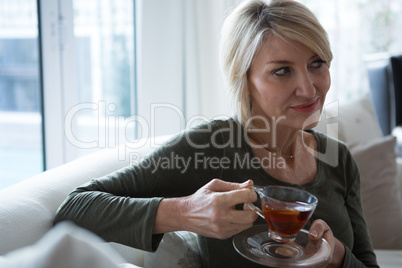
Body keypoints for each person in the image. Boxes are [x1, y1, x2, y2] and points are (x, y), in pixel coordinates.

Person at [54, 0, 379, 267]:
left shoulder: (339, 160)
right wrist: (184, 213)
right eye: (282, 71)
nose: (309, 88)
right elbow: (75, 209)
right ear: (245, 80)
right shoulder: (209, 146)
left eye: (317, 63)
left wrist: (336, 256)